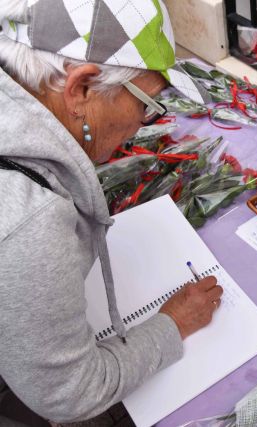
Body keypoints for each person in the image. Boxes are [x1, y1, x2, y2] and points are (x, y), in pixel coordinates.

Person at [0, 0, 224, 424]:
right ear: (81, 88)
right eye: (148, 103)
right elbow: (71, 394)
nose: (147, 122)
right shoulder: (28, 223)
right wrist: (173, 324)